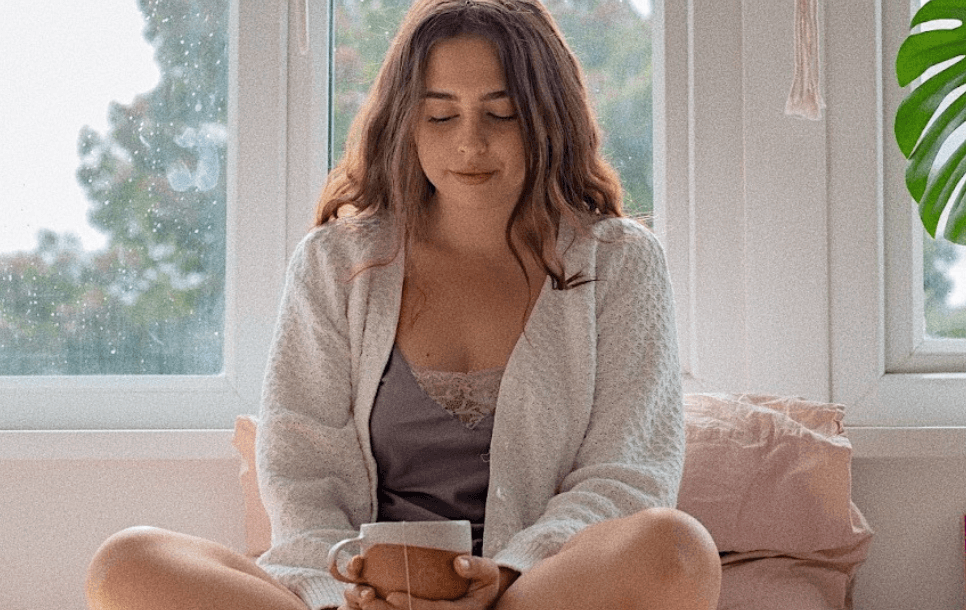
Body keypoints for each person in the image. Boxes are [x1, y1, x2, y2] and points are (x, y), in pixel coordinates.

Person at [83, 1, 722, 609]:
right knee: (128, 564)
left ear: (550, 118)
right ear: (405, 121)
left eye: (502, 114)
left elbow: (627, 474)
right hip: (354, 598)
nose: (470, 142)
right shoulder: (336, 261)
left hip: (531, 595)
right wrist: (352, 586)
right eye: (441, 115)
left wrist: (502, 575)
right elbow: (304, 472)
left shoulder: (619, 261)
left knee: (677, 549)